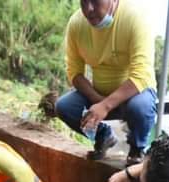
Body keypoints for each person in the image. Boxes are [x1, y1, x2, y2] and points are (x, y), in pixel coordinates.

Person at [56, 0, 157, 165]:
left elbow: (141, 75)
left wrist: (105, 106)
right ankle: (103, 136)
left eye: (95, 1)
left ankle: (137, 148)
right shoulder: (76, 23)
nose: (89, 9)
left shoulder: (135, 17)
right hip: (99, 95)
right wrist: (97, 100)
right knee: (64, 107)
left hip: (134, 95)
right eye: (84, 2)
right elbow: (74, 72)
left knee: (140, 107)